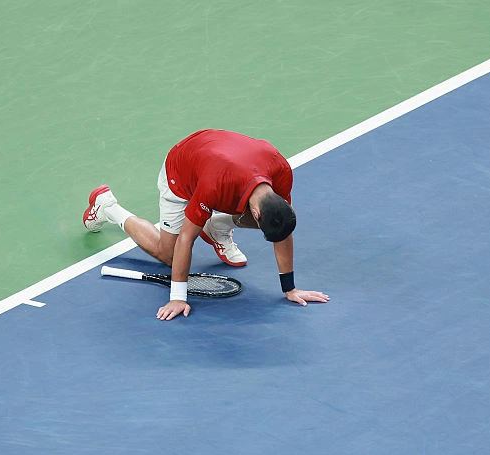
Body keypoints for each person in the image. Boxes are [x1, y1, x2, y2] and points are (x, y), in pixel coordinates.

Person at [83, 129, 330, 320]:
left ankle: (216, 228)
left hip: (216, 159)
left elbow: (282, 229)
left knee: (277, 224)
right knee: (167, 254)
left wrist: (290, 289)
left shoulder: (282, 172)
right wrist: (178, 297)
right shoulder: (215, 185)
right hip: (180, 172)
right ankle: (108, 207)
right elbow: (186, 238)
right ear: (255, 213)